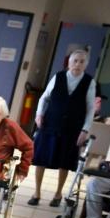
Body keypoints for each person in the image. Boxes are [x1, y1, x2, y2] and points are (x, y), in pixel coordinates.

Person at [29, 48, 96, 207]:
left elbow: (90, 108)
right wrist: (39, 115)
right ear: (69, 62)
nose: (78, 64)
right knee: (41, 159)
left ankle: (58, 193)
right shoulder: (58, 77)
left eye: (81, 62)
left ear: (86, 65)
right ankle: (36, 192)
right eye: (75, 61)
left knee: (65, 162)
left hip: (73, 128)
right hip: (50, 123)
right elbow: (44, 98)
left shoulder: (89, 82)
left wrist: (85, 130)